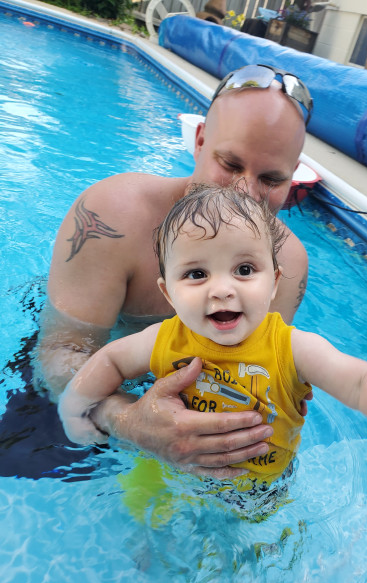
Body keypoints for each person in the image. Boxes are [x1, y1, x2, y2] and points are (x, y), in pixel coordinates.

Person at [59, 183, 367, 492]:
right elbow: (109, 360)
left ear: (274, 282)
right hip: (169, 468)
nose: (222, 289)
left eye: (244, 269)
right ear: (168, 293)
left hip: (256, 492)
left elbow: (361, 382)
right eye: (196, 274)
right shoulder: (162, 338)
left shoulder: (292, 349)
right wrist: (74, 408)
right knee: (144, 523)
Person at [33, 64, 313, 479]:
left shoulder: (287, 261)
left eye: (271, 179)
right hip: (96, 367)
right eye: (231, 164)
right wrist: (127, 419)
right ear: (199, 142)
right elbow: (60, 352)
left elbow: (251, 366)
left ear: (292, 182)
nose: (245, 194)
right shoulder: (114, 216)